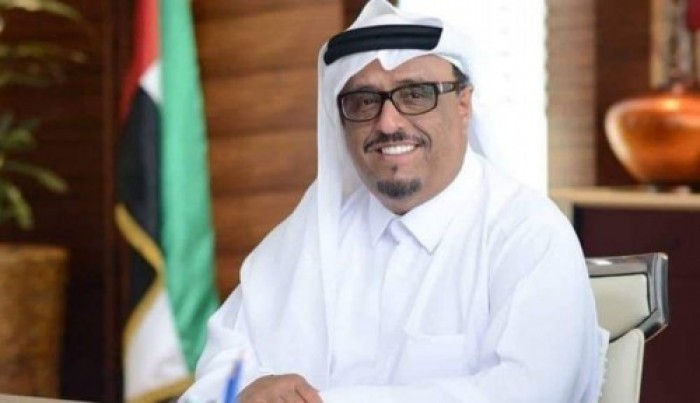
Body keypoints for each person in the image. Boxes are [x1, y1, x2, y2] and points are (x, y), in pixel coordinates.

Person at [181, 0, 607, 402]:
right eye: (364, 101)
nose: (388, 123)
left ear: (463, 104)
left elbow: (529, 392)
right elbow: (218, 370)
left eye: (415, 94)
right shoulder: (308, 236)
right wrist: (250, 389)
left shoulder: (528, 234)